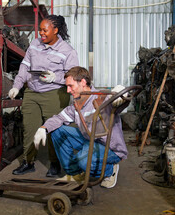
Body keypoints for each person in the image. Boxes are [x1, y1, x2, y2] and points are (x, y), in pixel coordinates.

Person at [8, 15, 79, 177]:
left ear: (56, 30)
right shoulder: (34, 44)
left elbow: (74, 76)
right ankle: (28, 162)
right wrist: (17, 85)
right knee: (30, 128)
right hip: (32, 92)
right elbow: (25, 65)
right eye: (40, 29)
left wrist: (56, 78)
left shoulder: (67, 51)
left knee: (55, 129)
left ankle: (55, 163)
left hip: (54, 93)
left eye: (45, 30)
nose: (41, 33)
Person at [33, 66, 127, 188]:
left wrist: (122, 94)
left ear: (83, 82)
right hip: (90, 141)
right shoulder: (77, 104)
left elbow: (120, 102)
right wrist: (43, 128)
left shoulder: (102, 97)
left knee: (82, 160)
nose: (68, 90)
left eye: (70, 86)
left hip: (110, 148)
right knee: (57, 130)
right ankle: (75, 173)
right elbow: (59, 118)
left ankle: (109, 170)